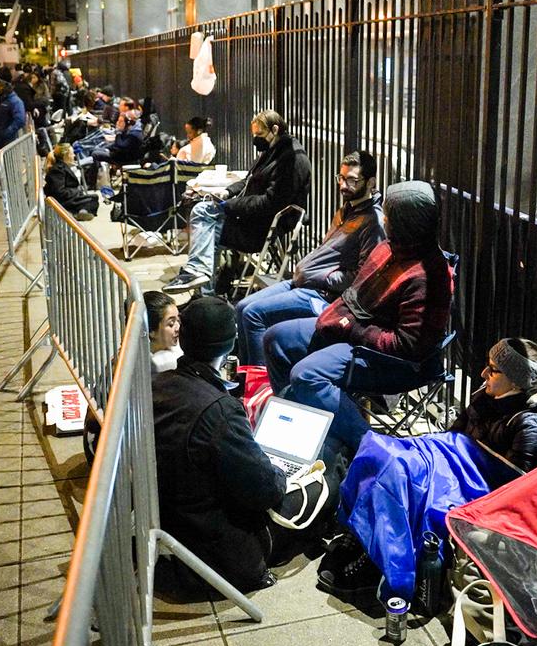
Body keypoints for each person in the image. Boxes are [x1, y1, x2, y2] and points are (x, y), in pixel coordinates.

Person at [318, 338, 537, 601]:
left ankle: (381, 562)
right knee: (377, 450)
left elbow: (518, 491)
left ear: (517, 382)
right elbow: (451, 438)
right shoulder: (489, 395)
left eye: (493, 370)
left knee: (398, 473)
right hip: (451, 465)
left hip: (476, 488)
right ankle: (361, 533)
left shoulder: (534, 425)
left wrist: (439, 465)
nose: (483, 374)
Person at [261, 180, 451, 453]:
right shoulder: (388, 249)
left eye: (390, 216)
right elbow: (354, 295)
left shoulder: (429, 276)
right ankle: (299, 428)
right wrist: (341, 320)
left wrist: (351, 327)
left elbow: (408, 346)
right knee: (276, 338)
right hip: (356, 329)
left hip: (391, 360)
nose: (384, 220)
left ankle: (371, 449)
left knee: (306, 375)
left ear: (406, 223)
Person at [152, 296, 286, 593]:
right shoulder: (219, 410)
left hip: (167, 518)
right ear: (230, 344)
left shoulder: (156, 385)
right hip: (210, 546)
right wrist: (280, 471)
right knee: (323, 480)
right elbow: (264, 490)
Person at [234, 151, 385, 365]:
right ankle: (245, 374)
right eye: (341, 178)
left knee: (253, 315)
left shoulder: (373, 222)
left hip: (324, 294)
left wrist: (323, 278)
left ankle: (259, 382)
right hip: (304, 283)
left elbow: (363, 277)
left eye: (352, 180)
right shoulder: (346, 210)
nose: (343, 185)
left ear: (370, 182)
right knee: (242, 307)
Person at [163, 110, 311, 296]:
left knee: (205, 223)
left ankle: (201, 284)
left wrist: (230, 205)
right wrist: (227, 192)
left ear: (275, 129)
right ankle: (201, 284)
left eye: (259, 134)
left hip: (261, 228)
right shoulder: (273, 150)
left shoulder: (291, 159)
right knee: (203, 215)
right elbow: (249, 180)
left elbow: (270, 203)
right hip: (250, 219)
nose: (256, 139)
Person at [0, 70, 27, 172]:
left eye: (1, 85)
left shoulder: (15, 101)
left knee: (5, 166)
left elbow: (20, 120)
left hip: (4, 142)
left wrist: (7, 132)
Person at [43, 143, 97, 220]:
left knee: (94, 198)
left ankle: (80, 212)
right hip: (61, 201)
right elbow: (59, 191)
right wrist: (76, 191)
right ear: (66, 156)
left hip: (69, 197)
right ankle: (75, 212)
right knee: (90, 200)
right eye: (72, 154)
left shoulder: (63, 167)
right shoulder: (58, 170)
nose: (74, 156)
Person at [146, 290, 182, 373]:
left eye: (178, 320)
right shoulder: (152, 365)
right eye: (171, 324)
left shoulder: (181, 347)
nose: (178, 328)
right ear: (151, 331)